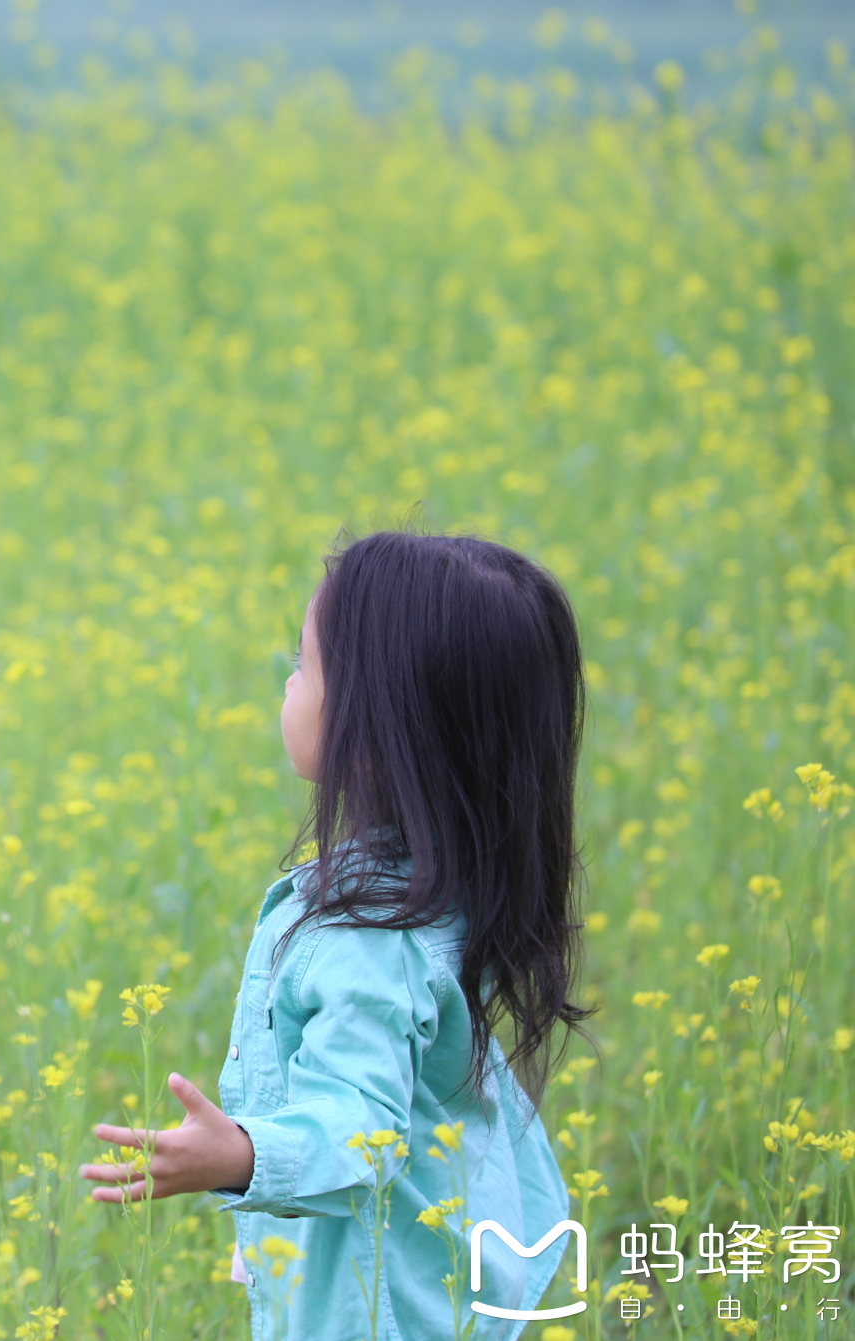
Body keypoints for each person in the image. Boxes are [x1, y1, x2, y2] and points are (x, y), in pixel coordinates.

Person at [78, 531, 590, 1340]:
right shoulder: (449, 885)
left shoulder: (370, 937)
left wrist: (246, 1156)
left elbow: (364, 1129)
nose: (288, 681)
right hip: (428, 1289)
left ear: (380, 727)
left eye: (305, 665)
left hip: (375, 1311)